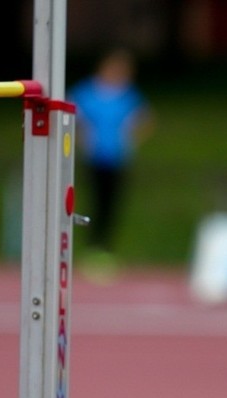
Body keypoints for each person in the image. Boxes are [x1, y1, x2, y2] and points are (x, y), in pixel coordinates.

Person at [69, 48, 154, 254]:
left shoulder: (127, 94)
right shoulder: (87, 91)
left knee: (112, 204)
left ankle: (104, 247)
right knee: (92, 200)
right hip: (93, 156)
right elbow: (70, 114)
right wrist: (82, 137)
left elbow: (145, 118)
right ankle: (90, 245)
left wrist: (130, 136)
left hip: (117, 157)